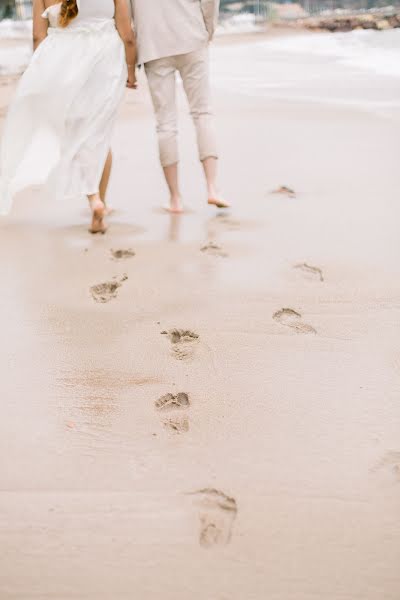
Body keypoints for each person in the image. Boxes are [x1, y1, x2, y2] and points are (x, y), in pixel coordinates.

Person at [0, 0, 137, 233]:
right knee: (97, 134)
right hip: (104, 61)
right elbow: (127, 35)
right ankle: (99, 199)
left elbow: (37, 36)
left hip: (60, 61)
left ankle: (93, 198)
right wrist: (132, 71)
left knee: (71, 130)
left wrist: (42, 72)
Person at [131, 0, 229, 214]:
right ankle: (212, 187)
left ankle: (175, 198)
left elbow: (124, 11)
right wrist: (208, 30)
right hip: (191, 35)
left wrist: (131, 55)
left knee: (165, 124)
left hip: (153, 43)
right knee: (202, 113)